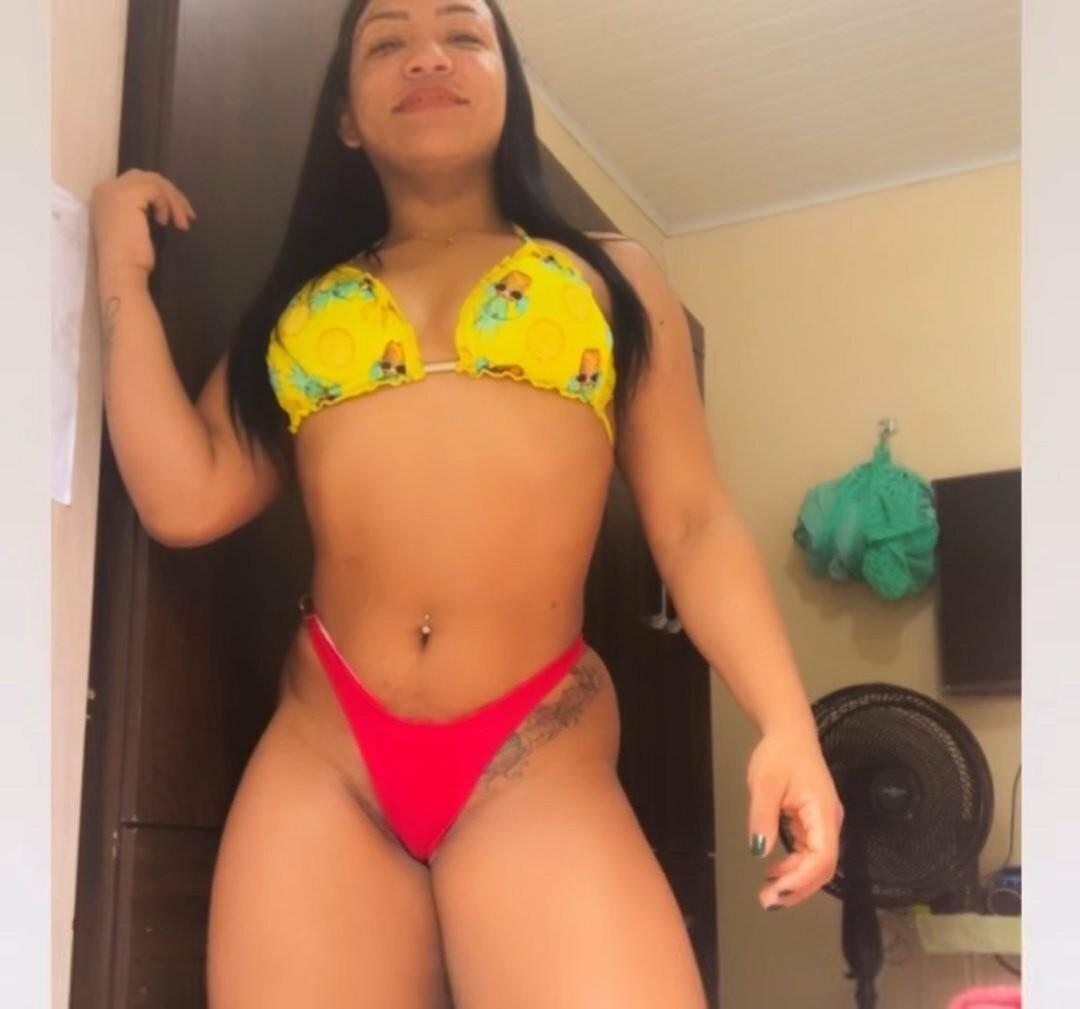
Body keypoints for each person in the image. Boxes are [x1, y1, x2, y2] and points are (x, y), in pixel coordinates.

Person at [88, 1, 844, 1006]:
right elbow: (185, 495)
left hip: (536, 750)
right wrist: (121, 274)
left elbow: (692, 521)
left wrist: (786, 721)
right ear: (346, 115)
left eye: (462, 34)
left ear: (507, 87)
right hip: (328, 753)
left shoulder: (610, 278)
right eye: (387, 42)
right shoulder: (302, 308)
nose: (426, 57)